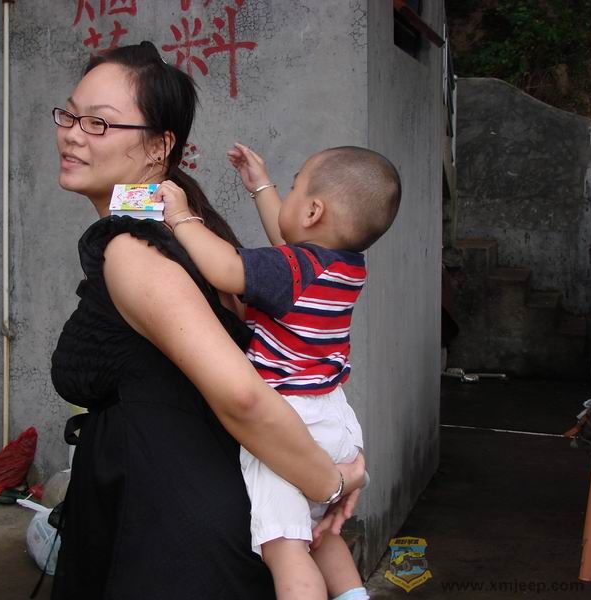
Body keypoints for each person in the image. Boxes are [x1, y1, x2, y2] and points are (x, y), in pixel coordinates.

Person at [49, 41, 367, 599]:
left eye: (99, 123)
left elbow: (242, 396)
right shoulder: (185, 225)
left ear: (159, 146)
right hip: (171, 512)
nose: (74, 134)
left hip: (174, 538)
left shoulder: (133, 251)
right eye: (70, 115)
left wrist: (330, 482)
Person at [156, 142, 402, 600]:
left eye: (292, 189)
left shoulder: (292, 269)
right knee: (322, 533)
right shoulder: (344, 267)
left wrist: (182, 217)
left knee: (285, 546)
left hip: (288, 422)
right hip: (334, 418)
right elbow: (290, 240)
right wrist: (262, 187)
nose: (284, 197)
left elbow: (227, 269)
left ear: (313, 211)